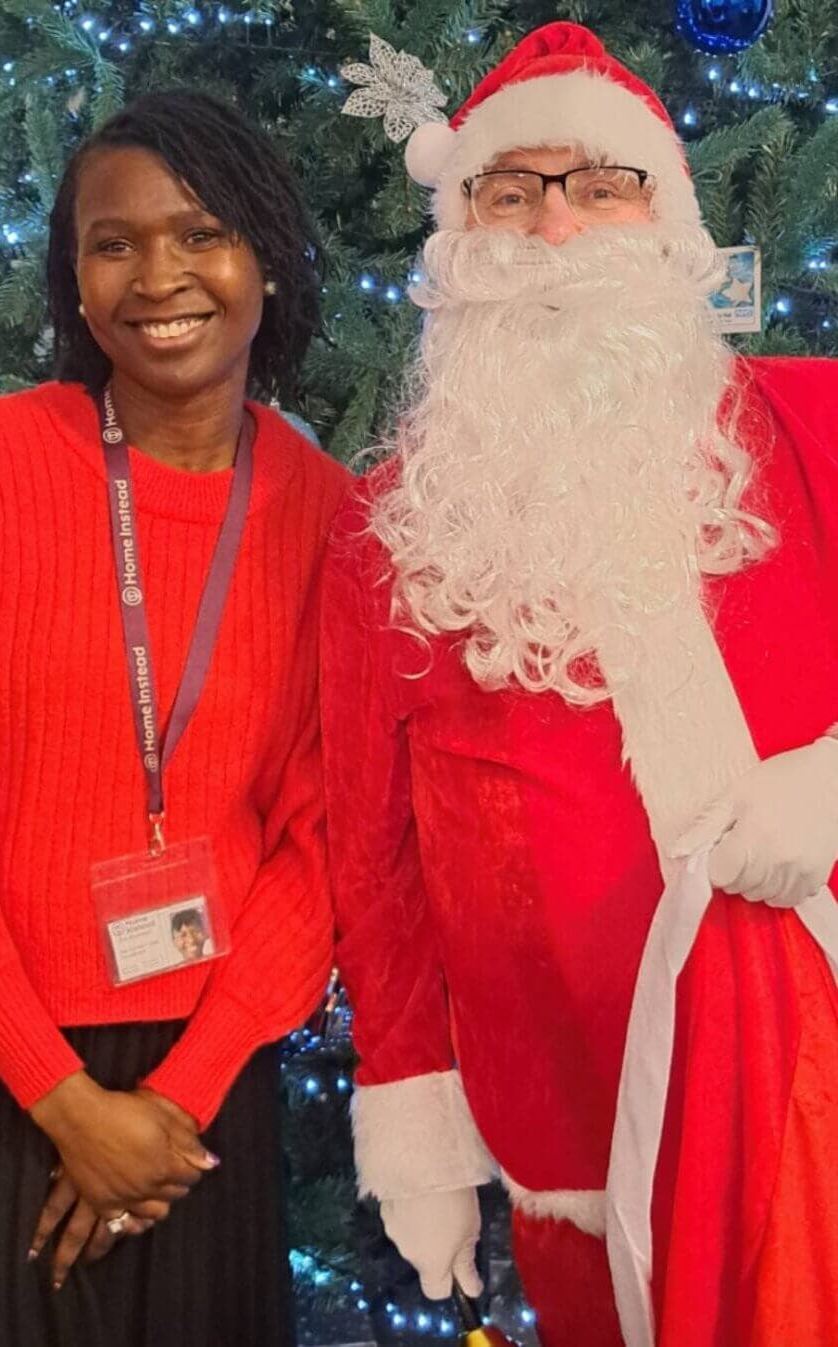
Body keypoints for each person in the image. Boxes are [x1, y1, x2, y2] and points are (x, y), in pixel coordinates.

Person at [320, 22, 838, 1347]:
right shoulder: (391, 526)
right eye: (511, 192)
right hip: (567, 1115)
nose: (554, 229)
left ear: (668, 222)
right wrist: (415, 1115)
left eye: (600, 186)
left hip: (815, 1074)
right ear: (460, 231)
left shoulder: (817, 419)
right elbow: (372, 849)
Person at [0, 89, 348, 1347]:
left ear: (267, 259)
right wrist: (65, 1101)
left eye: (201, 233)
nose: (158, 276)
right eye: (114, 243)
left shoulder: (328, 514)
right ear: (74, 280)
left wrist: (176, 1100)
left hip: (204, 1089)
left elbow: (322, 841)